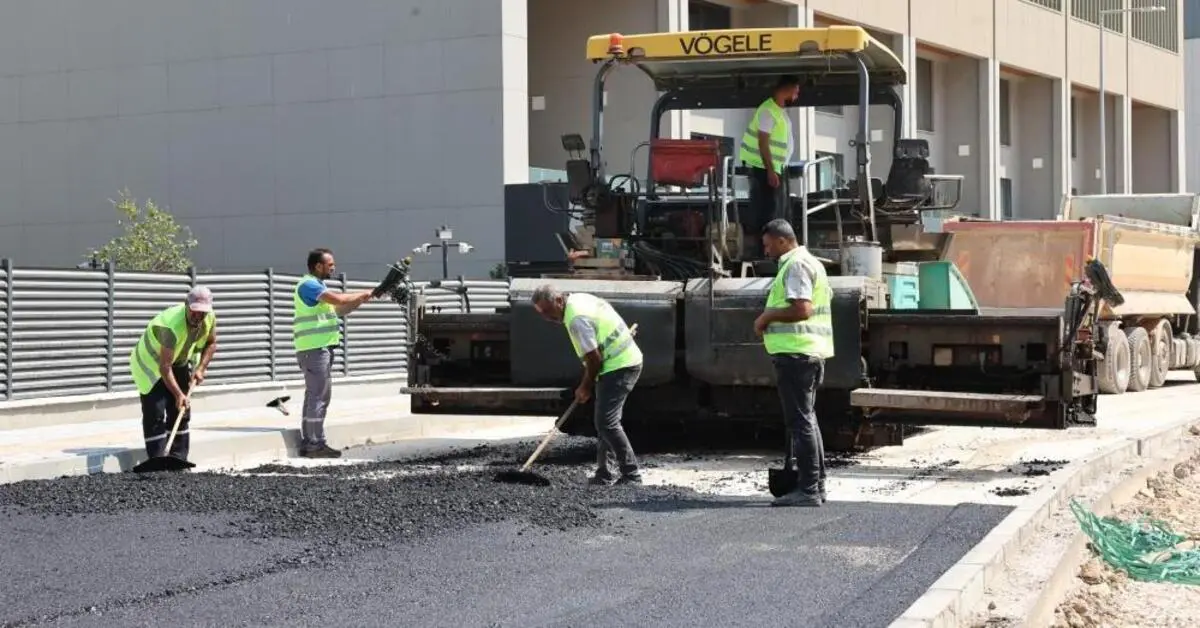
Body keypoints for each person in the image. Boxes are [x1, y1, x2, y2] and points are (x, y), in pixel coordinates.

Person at [753, 218, 835, 507]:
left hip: (796, 354)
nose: (766, 251)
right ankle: (817, 485)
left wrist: (766, 316)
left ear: (782, 240)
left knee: (800, 421)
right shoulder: (812, 263)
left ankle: (809, 489)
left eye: (768, 245)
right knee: (808, 420)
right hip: (809, 353)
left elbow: (802, 309)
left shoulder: (796, 264)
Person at [531, 285, 644, 486]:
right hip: (617, 362)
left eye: (548, 311)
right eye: (542, 314)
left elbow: (594, 359)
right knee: (603, 421)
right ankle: (604, 473)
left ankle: (631, 474)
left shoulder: (575, 320)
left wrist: (585, 387)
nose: (547, 318)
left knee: (607, 422)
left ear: (558, 300)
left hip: (620, 365)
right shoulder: (577, 299)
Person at [293, 248, 375, 458]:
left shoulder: (319, 287)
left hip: (320, 348)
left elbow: (339, 310)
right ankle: (315, 444)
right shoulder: (308, 285)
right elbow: (338, 300)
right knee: (319, 397)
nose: (333, 268)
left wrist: (359, 301)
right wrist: (363, 293)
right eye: (330, 265)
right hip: (314, 348)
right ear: (318, 266)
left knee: (315, 396)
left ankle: (310, 442)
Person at [129, 286, 219, 464]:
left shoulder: (209, 318)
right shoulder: (170, 326)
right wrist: (178, 394)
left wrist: (201, 368)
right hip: (150, 365)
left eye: (203, 313)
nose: (198, 317)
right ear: (187, 305)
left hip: (177, 360)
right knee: (155, 410)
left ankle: (178, 458)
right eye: (194, 312)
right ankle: (157, 459)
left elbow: (211, 343)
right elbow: (164, 367)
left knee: (181, 410)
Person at [738, 75, 802, 258]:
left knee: (776, 211)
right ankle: (765, 253)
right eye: (795, 91)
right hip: (764, 169)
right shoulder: (768, 111)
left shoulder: (777, 110)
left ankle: (776, 251)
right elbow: (763, 143)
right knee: (768, 213)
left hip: (775, 168)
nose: (796, 96)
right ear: (787, 89)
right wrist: (770, 171)